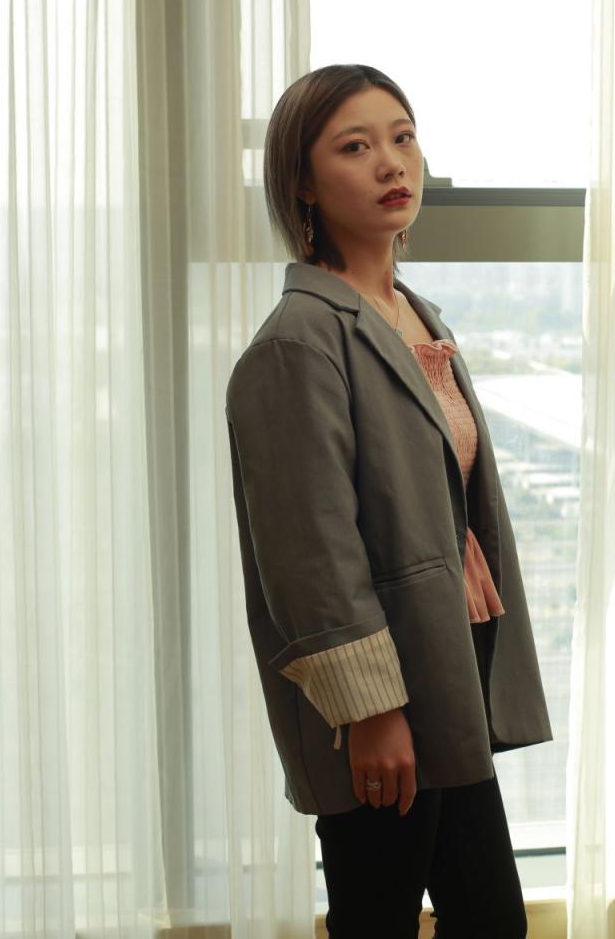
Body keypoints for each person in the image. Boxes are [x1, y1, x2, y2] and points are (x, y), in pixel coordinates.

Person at [225, 64, 553, 938]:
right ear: (303, 182)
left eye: (402, 137)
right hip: (378, 701)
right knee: (378, 918)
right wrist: (370, 710)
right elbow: (308, 553)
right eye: (355, 146)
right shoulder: (298, 343)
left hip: (448, 671)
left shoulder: (415, 315)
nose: (390, 162)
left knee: (489, 919)